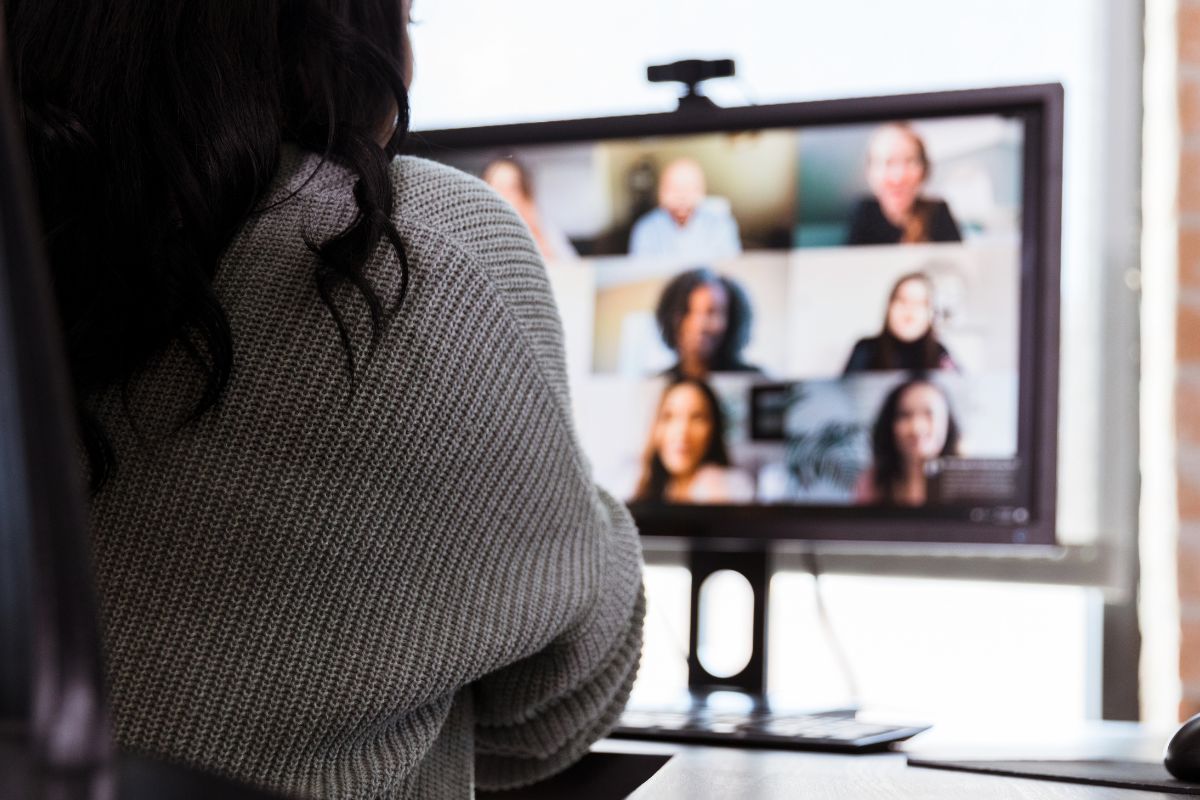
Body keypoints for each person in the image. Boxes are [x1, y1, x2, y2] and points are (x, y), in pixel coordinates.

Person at [9, 2, 644, 798]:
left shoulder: (27, 245)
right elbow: (552, 717)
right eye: (406, 16)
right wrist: (571, 484)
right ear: (335, 37)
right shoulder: (421, 245)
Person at [631, 379, 755, 504]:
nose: (682, 432)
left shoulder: (735, 488)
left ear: (714, 429)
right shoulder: (632, 485)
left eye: (697, 418)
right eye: (668, 416)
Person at [845, 122, 963, 246]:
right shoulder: (865, 212)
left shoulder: (939, 212)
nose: (899, 177)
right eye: (888, 162)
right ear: (870, 173)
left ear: (924, 171)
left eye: (910, 161)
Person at [855, 376, 961, 507]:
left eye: (929, 413)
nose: (916, 428)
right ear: (890, 425)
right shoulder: (871, 483)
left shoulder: (969, 484)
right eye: (904, 415)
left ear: (948, 423)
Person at [656, 267, 760, 380]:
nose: (699, 325)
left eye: (712, 312)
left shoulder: (755, 381)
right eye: (687, 310)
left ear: (732, 319)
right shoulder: (657, 385)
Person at [628, 157, 742, 259]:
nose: (682, 196)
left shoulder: (722, 225)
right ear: (661, 193)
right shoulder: (645, 229)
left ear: (702, 191)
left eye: (689, 188)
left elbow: (730, 268)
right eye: (673, 188)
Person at [843, 272, 957, 373]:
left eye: (919, 303)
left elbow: (961, 390)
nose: (910, 308)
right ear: (889, 307)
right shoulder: (865, 350)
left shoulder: (939, 353)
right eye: (902, 300)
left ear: (931, 312)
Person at [482, 156, 579, 261]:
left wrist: (538, 233)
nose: (503, 196)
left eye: (512, 188)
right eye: (497, 187)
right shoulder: (478, 237)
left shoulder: (543, 227)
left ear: (525, 194)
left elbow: (572, 266)